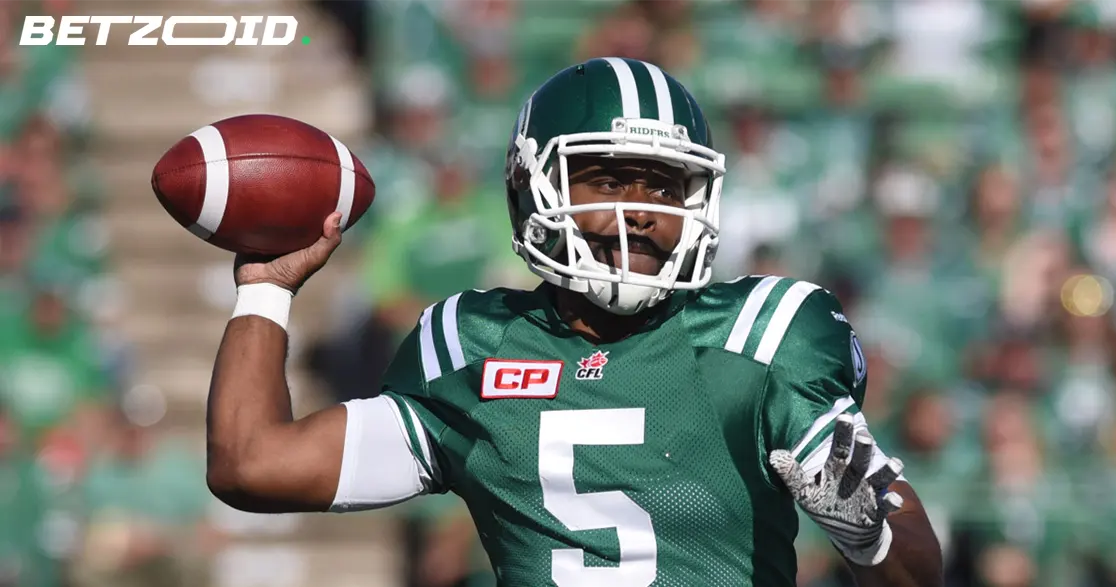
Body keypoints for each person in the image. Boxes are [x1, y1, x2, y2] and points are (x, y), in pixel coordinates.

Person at [198, 57, 942, 586]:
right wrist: (266, 288)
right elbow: (251, 464)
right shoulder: (466, 345)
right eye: (610, 178)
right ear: (535, 188)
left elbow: (917, 568)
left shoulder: (766, 332)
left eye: (666, 184)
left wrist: (867, 531)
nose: (643, 210)